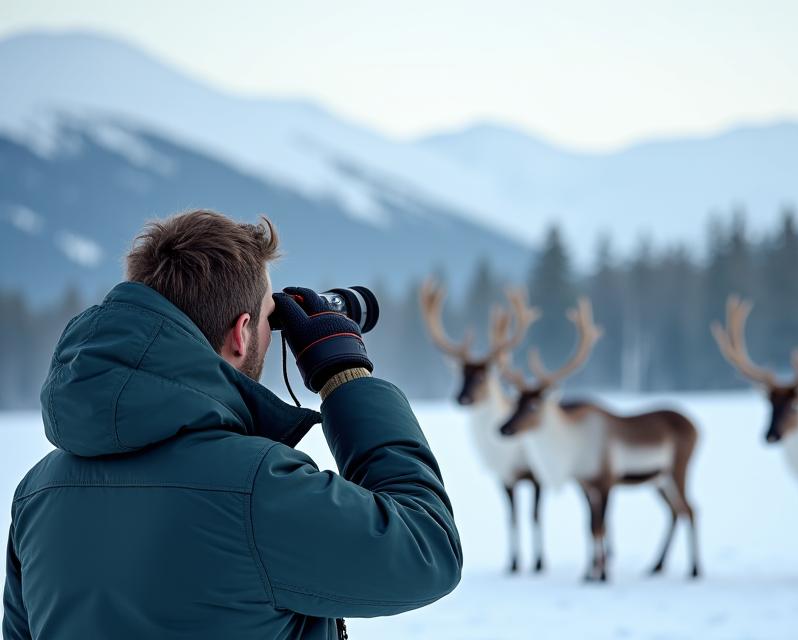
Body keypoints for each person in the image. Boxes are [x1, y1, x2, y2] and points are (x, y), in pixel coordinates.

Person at [3, 210, 462, 639]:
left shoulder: (38, 494)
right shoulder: (257, 488)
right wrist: (345, 376)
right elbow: (427, 550)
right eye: (269, 317)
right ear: (241, 332)